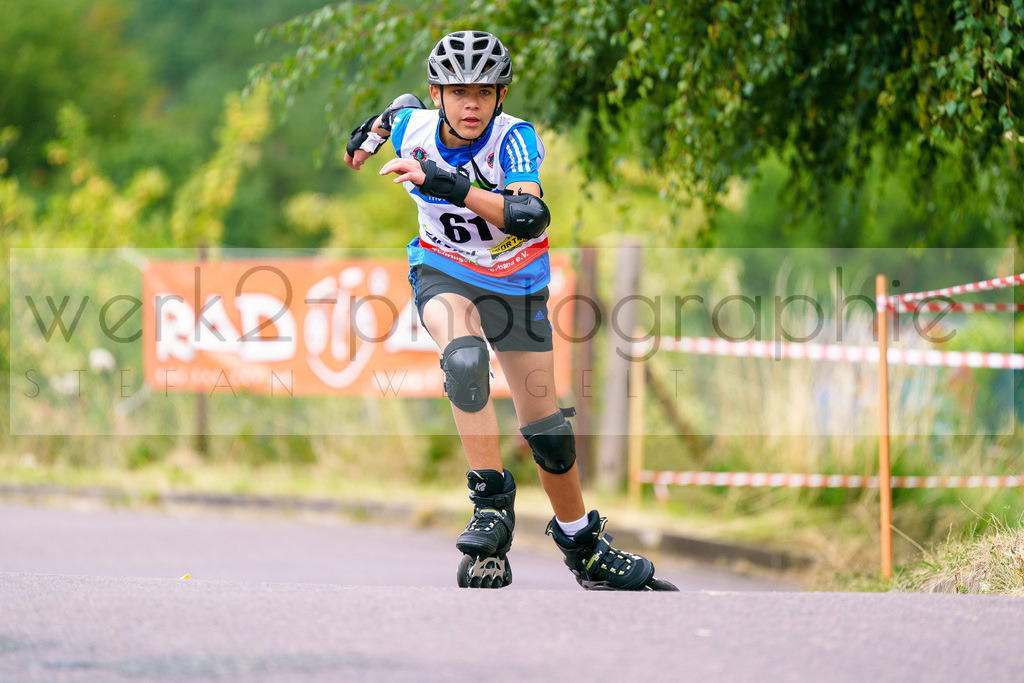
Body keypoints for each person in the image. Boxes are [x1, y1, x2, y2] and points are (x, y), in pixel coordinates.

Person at [343, 30, 676, 591]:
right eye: (457, 92)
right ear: (436, 94)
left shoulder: (515, 139)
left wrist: (447, 185)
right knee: (465, 358)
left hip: (518, 284)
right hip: (443, 268)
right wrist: (368, 137)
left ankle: (583, 545)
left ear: (500, 96)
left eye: (484, 92)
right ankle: (491, 504)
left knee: (549, 433)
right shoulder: (412, 125)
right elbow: (393, 113)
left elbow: (527, 215)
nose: (470, 104)